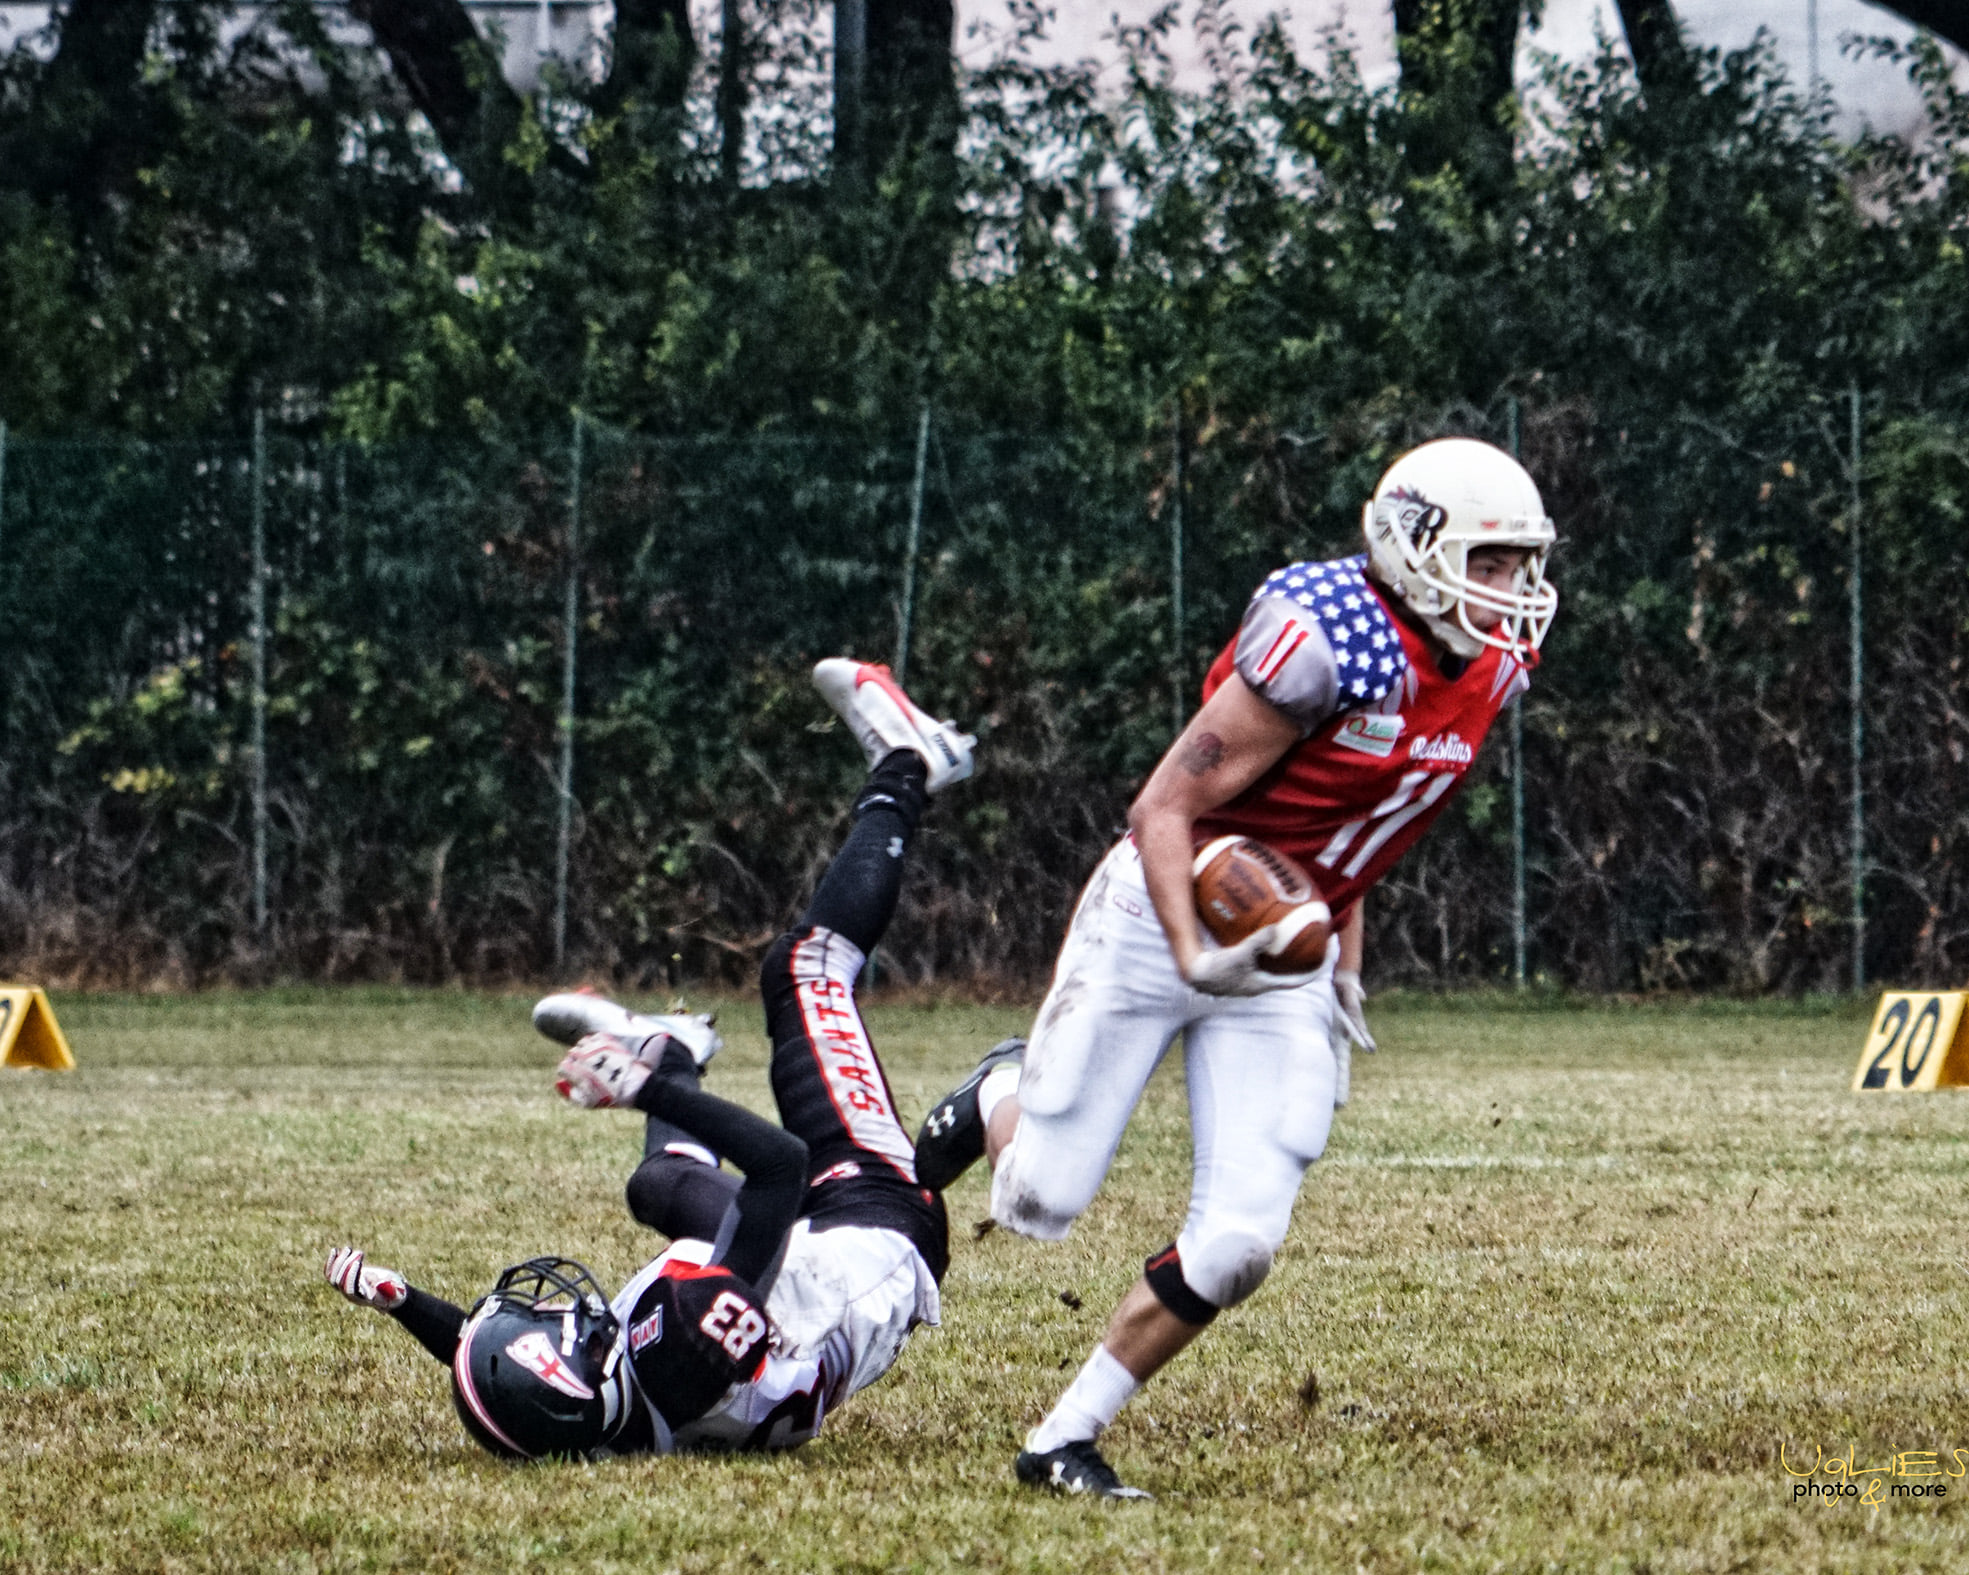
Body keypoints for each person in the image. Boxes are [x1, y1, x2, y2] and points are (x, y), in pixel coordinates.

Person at [913, 437, 1560, 1497]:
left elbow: (1365, 824)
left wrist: (1340, 960)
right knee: (1037, 1198)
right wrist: (1190, 955)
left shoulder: (1494, 664)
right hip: (1162, 904)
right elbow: (1163, 807)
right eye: (1487, 562)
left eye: (1519, 564)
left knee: (1239, 1244)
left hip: (1280, 942)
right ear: (1410, 545)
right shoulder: (1330, 639)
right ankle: (997, 1090)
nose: (1509, 591)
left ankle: (1061, 1440)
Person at [323, 660, 990, 1459]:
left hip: (808, 1262)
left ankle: (673, 1042)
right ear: (578, 1376)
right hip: (871, 1216)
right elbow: (779, 1167)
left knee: (658, 1186)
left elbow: (521, 1391)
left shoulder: (615, 1417)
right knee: (801, 969)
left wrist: (402, 1304)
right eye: (550, 1331)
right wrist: (642, 1092)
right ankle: (908, 766)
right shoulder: (687, 1339)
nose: (551, 1315)